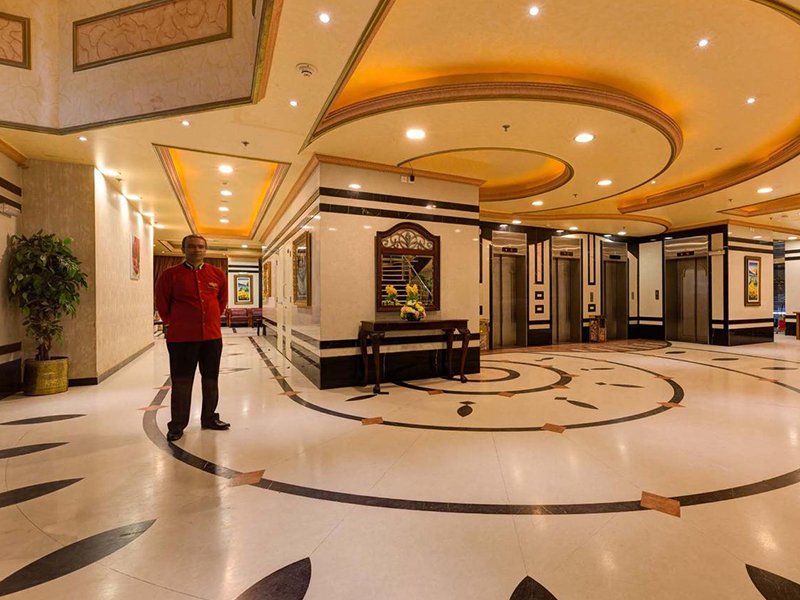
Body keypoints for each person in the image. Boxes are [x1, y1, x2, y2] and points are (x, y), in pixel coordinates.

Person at [155, 234, 230, 442]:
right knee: (182, 381)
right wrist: (175, 322)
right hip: (181, 339)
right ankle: (177, 425)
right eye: (192, 246)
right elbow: (162, 303)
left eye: (200, 246)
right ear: (183, 249)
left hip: (211, 337)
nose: (197, 250)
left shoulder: (217, 274)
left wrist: (210, 319)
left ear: (205, 250)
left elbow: (222, 301)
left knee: (211, 379)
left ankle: (209, 418)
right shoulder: (170, 275)